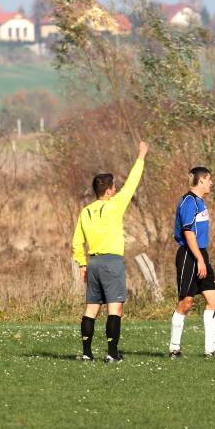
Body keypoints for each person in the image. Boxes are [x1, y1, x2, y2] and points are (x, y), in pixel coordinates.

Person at [71, 140, 148, 362]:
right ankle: (112, 354)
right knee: (115, 310)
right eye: (114, 187)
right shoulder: (114, 205)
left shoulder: (85, 212)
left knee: (91, 310)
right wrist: (141, 156)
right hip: (112, 262)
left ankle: (87, 354)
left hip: (92, 263)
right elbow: (133, 182)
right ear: (108, 191)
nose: (116, 190)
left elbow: (77, 242)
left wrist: (82, 264)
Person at [168, 166, 215, 358]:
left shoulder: (200, 202)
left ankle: (211, 349)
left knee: (214, 300)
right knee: (186, 302)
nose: (211, 183)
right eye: (209, 179)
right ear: (201, 181)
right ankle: (174, 349)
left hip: (201, 253)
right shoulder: (189, 201)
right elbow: (188, 232)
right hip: (188, 254)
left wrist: (203, 257)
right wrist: (199, 259)